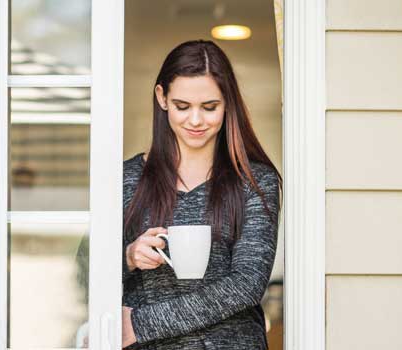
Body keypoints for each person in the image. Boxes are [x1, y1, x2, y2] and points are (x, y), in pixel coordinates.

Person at [121, 39, 283, 349]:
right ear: (162, 98)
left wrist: (140, 324)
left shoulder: (255, 181)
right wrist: (128, 256)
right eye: (183, 106)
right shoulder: (127, 178)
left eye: (210, 107)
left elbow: (246, 285)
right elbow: (87, 271)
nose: (196, 120)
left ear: (228, 103)